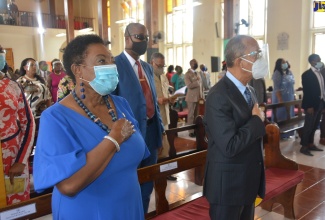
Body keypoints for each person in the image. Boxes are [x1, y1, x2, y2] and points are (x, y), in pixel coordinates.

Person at [33, 34, 149, 219]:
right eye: (102, 61)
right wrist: (113, 139)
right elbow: (69, 185)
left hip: (128, 207)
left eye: (111, 60)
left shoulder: (121, 105)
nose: (111, 66)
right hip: (88, 211)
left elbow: (139, 154)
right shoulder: (55, 118)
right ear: (77, 70)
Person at [203, 35, 266, 220]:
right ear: (240, 61)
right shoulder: (218, 95)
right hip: (228, 187)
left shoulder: (250, 89)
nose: (260, 59)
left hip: (247, 180)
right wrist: (256, 121)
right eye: (257, 54)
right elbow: (229, 145)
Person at [113, 23, 164, 213]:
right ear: (127, 39)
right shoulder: (115, 65)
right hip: (129, 135)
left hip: (151, 131)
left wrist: (161, 131)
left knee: (147, 182)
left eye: (146, 38)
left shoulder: (147, 68)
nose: (144, 42)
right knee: (129, 183)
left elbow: (154, 102)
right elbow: (111, 104)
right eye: (140, 37)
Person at [0, 46, 35, 205]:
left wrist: (21, 160)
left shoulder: (12, 86)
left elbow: (28, 123)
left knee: (16, 207)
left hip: (13, 158)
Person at [151, 52, 177, 181]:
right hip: (154, 117)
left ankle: (165, 172)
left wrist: (171, 98)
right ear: (152, 63)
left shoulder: (163, 76)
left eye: (163, 65)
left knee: (166, 145)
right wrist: (157, 99)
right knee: (158, 145)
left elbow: (166, 90)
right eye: (159, 65)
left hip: (165, 114)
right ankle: (157, 172)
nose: (161, 68)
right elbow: (144, 97)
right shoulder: (147, 76)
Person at [300, 54, 325, 156]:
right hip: (311, 105)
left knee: (315, 125)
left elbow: (322, 89)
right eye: (317, 60)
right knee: (308, 126)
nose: (320, 62)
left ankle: (311, 144)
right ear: (312, 62)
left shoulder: (320, 73)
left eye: (320, 60)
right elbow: (307, 92)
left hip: (320, 103)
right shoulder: (306, 75)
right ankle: (304, 146)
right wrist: (309, 106)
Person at [271, 58, 295, 138]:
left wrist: (293, 96)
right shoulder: (277, 73)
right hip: (280, 98)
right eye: (283, 63)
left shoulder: (289, 72)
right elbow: (277, 88)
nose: (285, 64)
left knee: (289, 115)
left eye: (285, 62)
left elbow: (292, 84)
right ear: (279, 64)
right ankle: (280, 134)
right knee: (281, 115)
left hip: (289, 97)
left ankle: (288, 134)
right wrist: (280, 99)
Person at [184, 59, 202, 137]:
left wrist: (202, 95)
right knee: (191, 115)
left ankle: (196, 129)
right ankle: (190, 131)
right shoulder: (187, 74)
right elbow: (189, 85)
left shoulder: (197, 73)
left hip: (198, 96)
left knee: (197, 115)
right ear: (191, 64)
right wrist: (197, 82)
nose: (196, 65)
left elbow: (201, 85)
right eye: (195, 63)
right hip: (191, 97)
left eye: (197, 63)